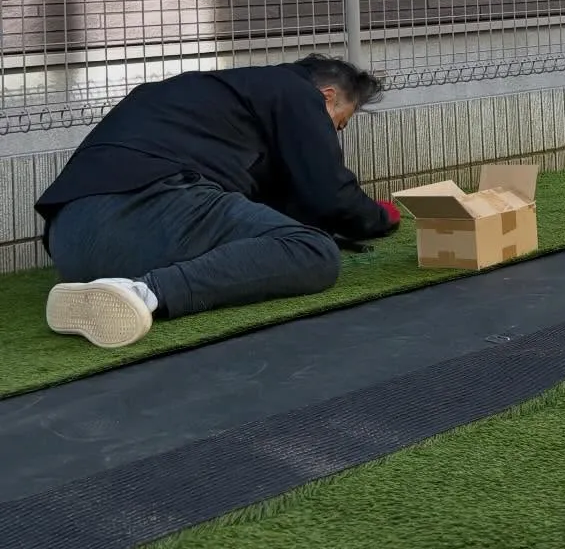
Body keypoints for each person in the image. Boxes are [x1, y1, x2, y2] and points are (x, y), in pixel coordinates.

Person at [37, 54, 402, 349]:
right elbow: (330, 194)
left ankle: (115, 288)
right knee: (313, 250)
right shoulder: (296, 93)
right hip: (147, 206)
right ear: (327, 96)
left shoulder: (217, 96)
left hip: (70, 240)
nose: (334, 133)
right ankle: (142, 292)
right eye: (339, 124)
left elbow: (276, 205)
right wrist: (380, 217)